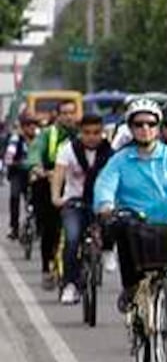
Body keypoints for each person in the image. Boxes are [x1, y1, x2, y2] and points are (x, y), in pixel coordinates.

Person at [94, 97, 167, 333]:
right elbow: (105, 184)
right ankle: (130, 288)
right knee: (121, 226)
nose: (145, 129)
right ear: (131, 127)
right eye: (138, 124)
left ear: (158, 126)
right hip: (135, 223)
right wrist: (106, 204)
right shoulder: (120, 160)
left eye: (150, 123)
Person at [50, 113, 114, 305]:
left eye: (96, 132)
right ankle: (70, 284)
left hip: (100, 202)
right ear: (80, 133)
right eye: (87, 133)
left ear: (102, 132)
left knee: (114, 222)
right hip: (74, 202)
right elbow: (59, 175)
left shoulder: (111, 153)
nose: (92, 137)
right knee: (71, 238)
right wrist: (56, 197)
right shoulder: (68, 150)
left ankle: (108, 250)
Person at [25, 99, 80, 290]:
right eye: (64, 113)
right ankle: (47, 268)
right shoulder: (48, 134)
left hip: (75, 183)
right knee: (50, 228)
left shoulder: (83, 134)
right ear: (57, 115)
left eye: (71, 112)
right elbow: (34, 153)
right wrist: (38, 168)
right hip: (50, 182)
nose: (68, 116)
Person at [4, 113, 38, 240]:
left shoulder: (39, 138)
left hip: (34, 172)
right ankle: (14, 228)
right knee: (15, 196)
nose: (31, 128)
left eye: (33, 125)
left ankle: (38, 226)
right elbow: (9, 155)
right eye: (28, 125)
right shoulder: (16, 139)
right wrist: (12, 161)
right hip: (18, 173)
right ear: (23, 127)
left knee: (38, 197)